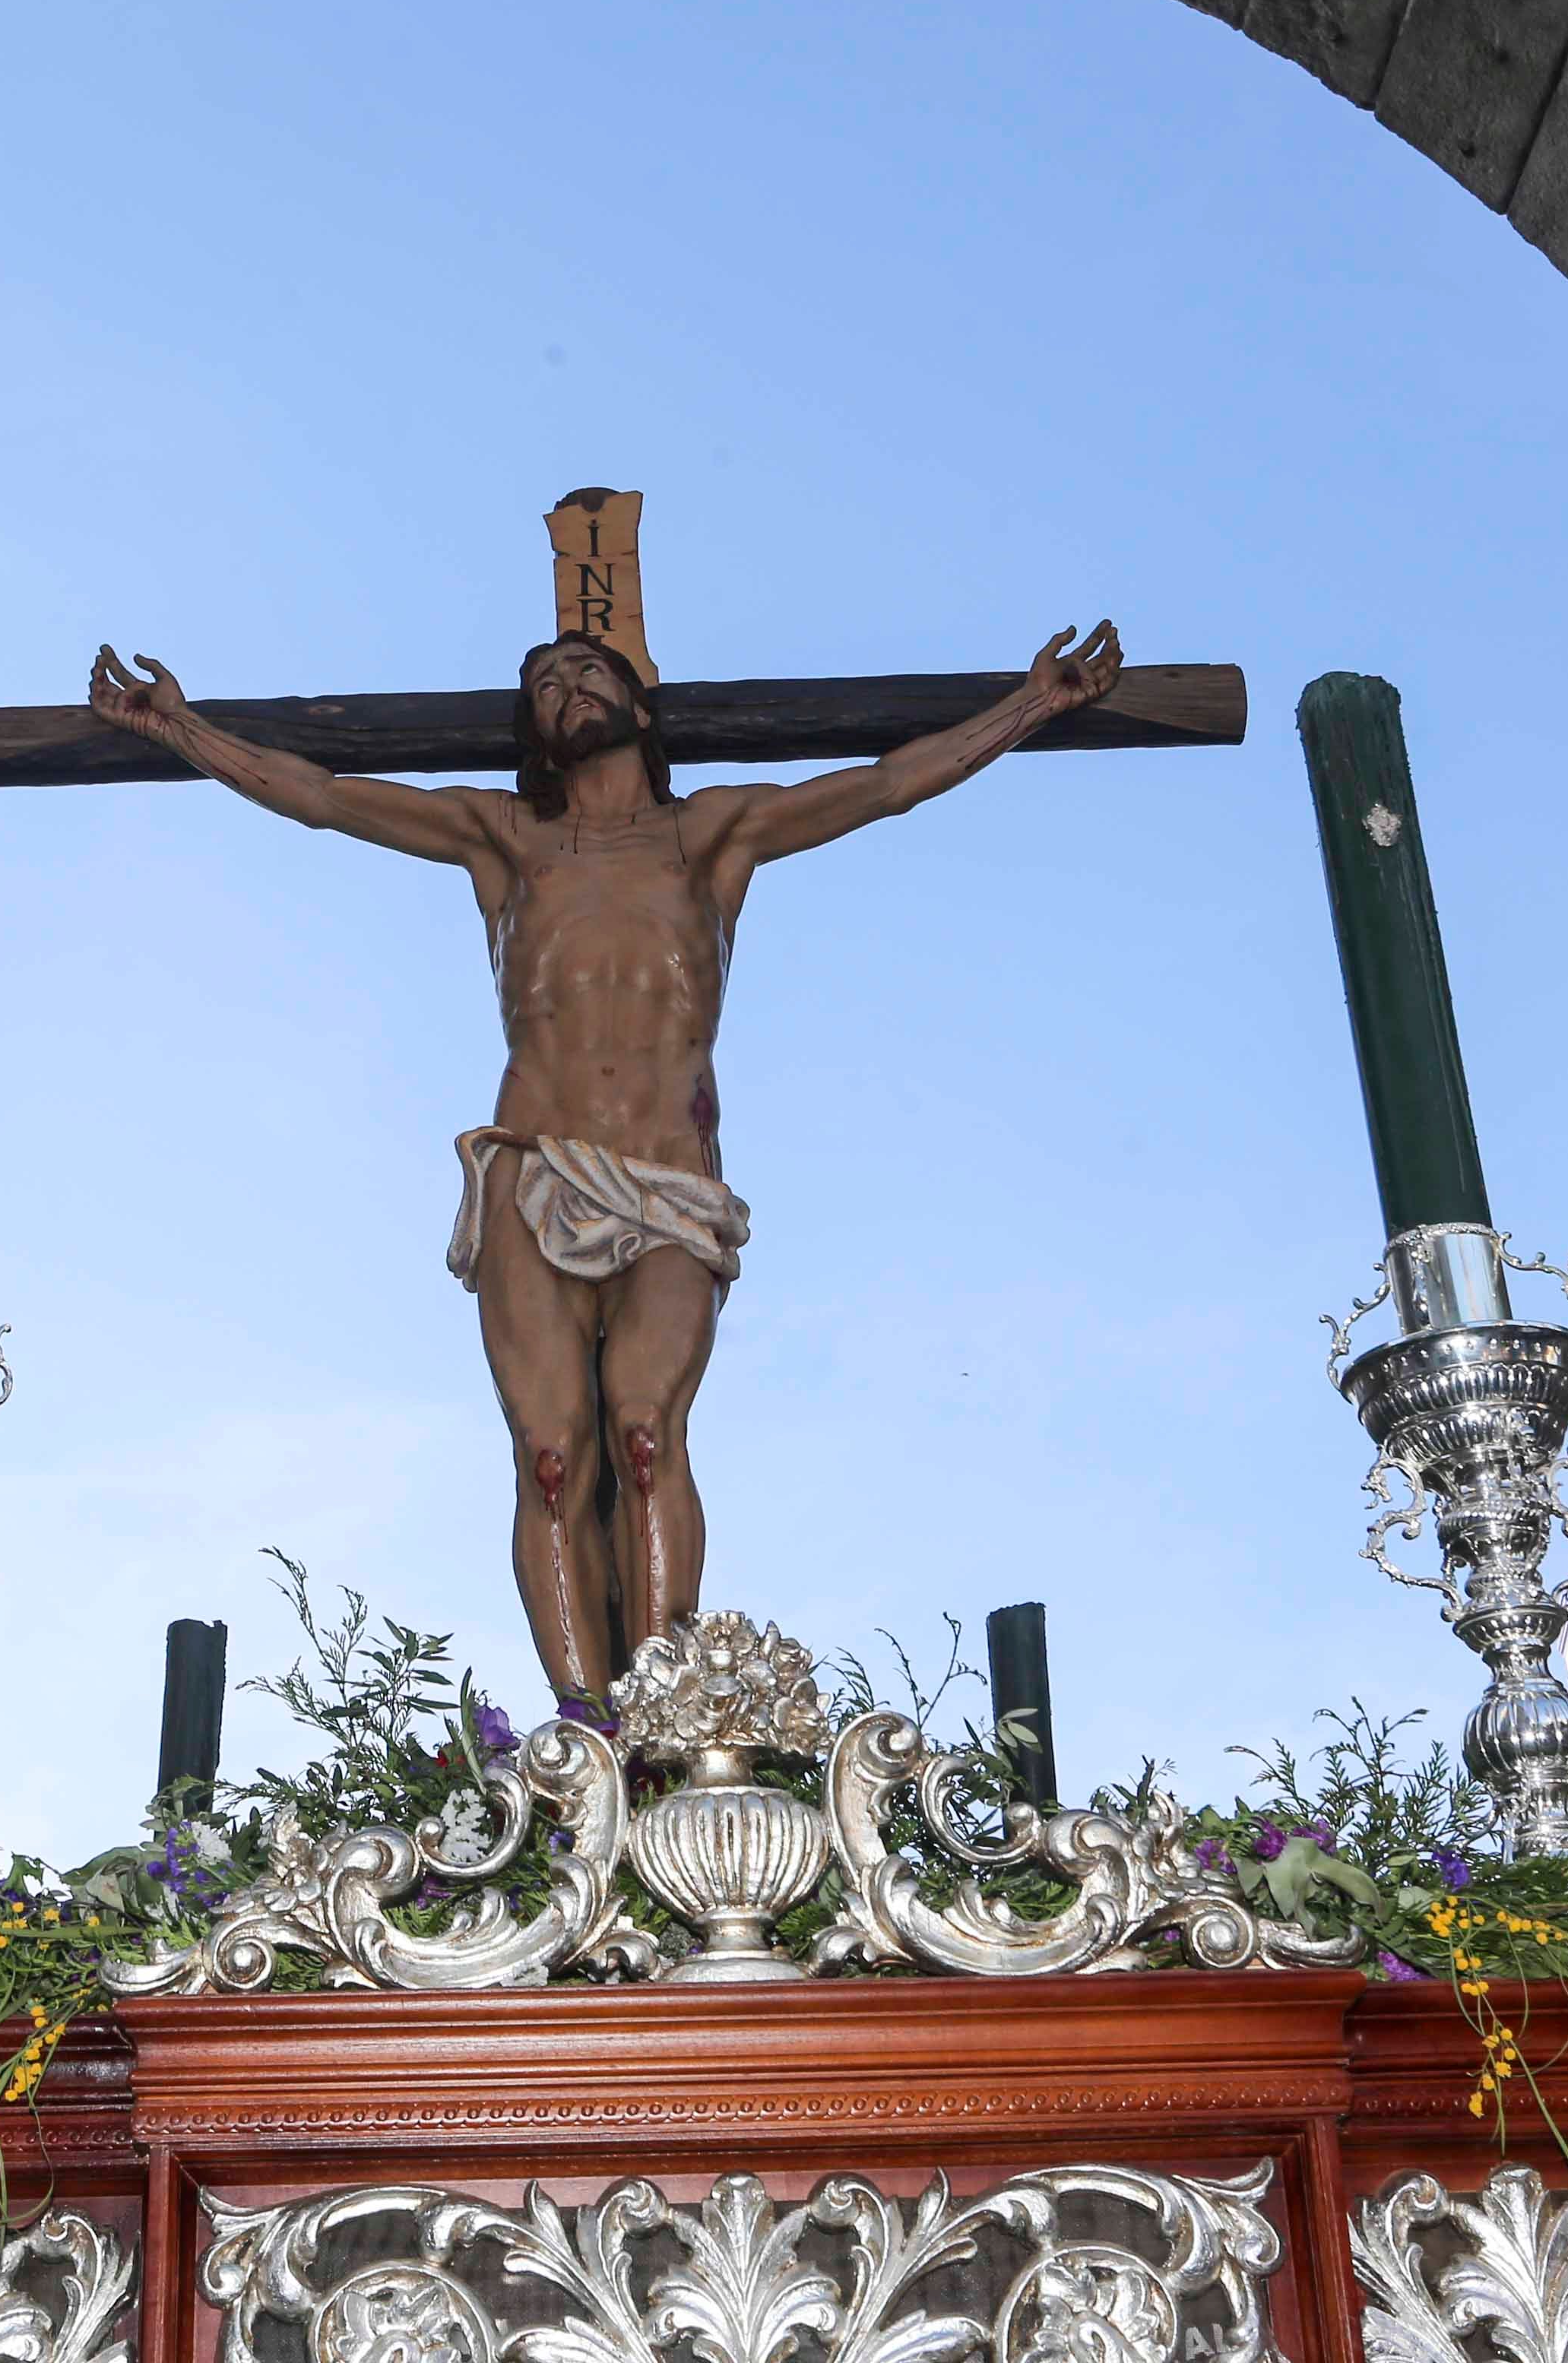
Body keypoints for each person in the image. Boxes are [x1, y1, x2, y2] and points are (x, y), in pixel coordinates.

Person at [89, 613, 1123, 1706]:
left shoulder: (712, 836)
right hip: (535, 1173)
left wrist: (1033, 702)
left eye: (588, 670)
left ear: (641, 708)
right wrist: (183, 729)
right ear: (530, 732)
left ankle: (667, 1722)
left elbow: (886, 783)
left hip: (672, 1185)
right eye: (542, 684)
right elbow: (326, 798)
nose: (565, 687)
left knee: (642, 1430)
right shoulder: (507, 843)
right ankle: (587, 1736)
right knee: (551, 1455)